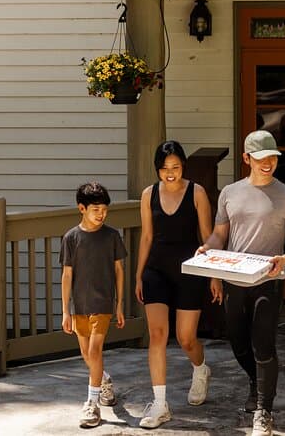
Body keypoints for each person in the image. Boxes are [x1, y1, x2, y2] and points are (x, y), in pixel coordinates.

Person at [196, 130, 285, 436]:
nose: (267, 163)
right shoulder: (230, 193)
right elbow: (220, 234)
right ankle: (256, 382)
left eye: (272, 157)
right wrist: (209, 249)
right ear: (247, 159)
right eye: (260, 158)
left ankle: (264, 410)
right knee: (238, 341)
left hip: (269, 278)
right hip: (234, 279)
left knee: (263, 343)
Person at [135, 141, 218, 429]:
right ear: (157, 169)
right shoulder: (149, 194)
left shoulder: (197, 192)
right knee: (157, 335)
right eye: (164, 168)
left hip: (190, 272)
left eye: (175, 167)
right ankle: (160, 405)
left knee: (186, 339)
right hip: (156, 270)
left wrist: (214, 275)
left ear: (183, 166)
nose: (170, 173)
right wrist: (139, 274)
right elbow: (146, 237)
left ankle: (200, 368)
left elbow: (208, 238)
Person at [60, 181, 127, 429]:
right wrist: (65, 310)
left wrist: (119, 304)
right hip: (80, 305)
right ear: (82, 208)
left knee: (96, 351)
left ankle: (92, 403)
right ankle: (104, 380)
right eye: (95, 209)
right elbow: (67, 275)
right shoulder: (71, 238)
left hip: (103, 303)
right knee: (87, 355)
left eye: (104, 210)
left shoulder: (111, 236)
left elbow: (119, 270)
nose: (101, 214)